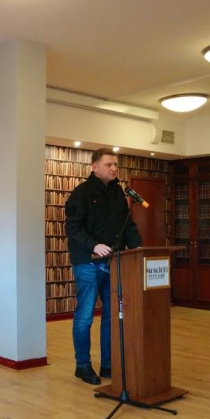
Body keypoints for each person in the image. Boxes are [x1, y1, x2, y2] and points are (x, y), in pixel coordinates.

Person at [64, 148, 142, 385]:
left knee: (111, 316)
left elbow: (127, 224)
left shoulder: (118, 193)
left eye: (115, 165)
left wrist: (138, 248)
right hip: (88, 262)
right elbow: (73, 228)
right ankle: (83, 366)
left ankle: (108, 364)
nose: (114, 168)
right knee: (85, 316)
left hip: (114, 262)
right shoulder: (81, 193)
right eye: (109, 164)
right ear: (94, 167)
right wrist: (94, 245)